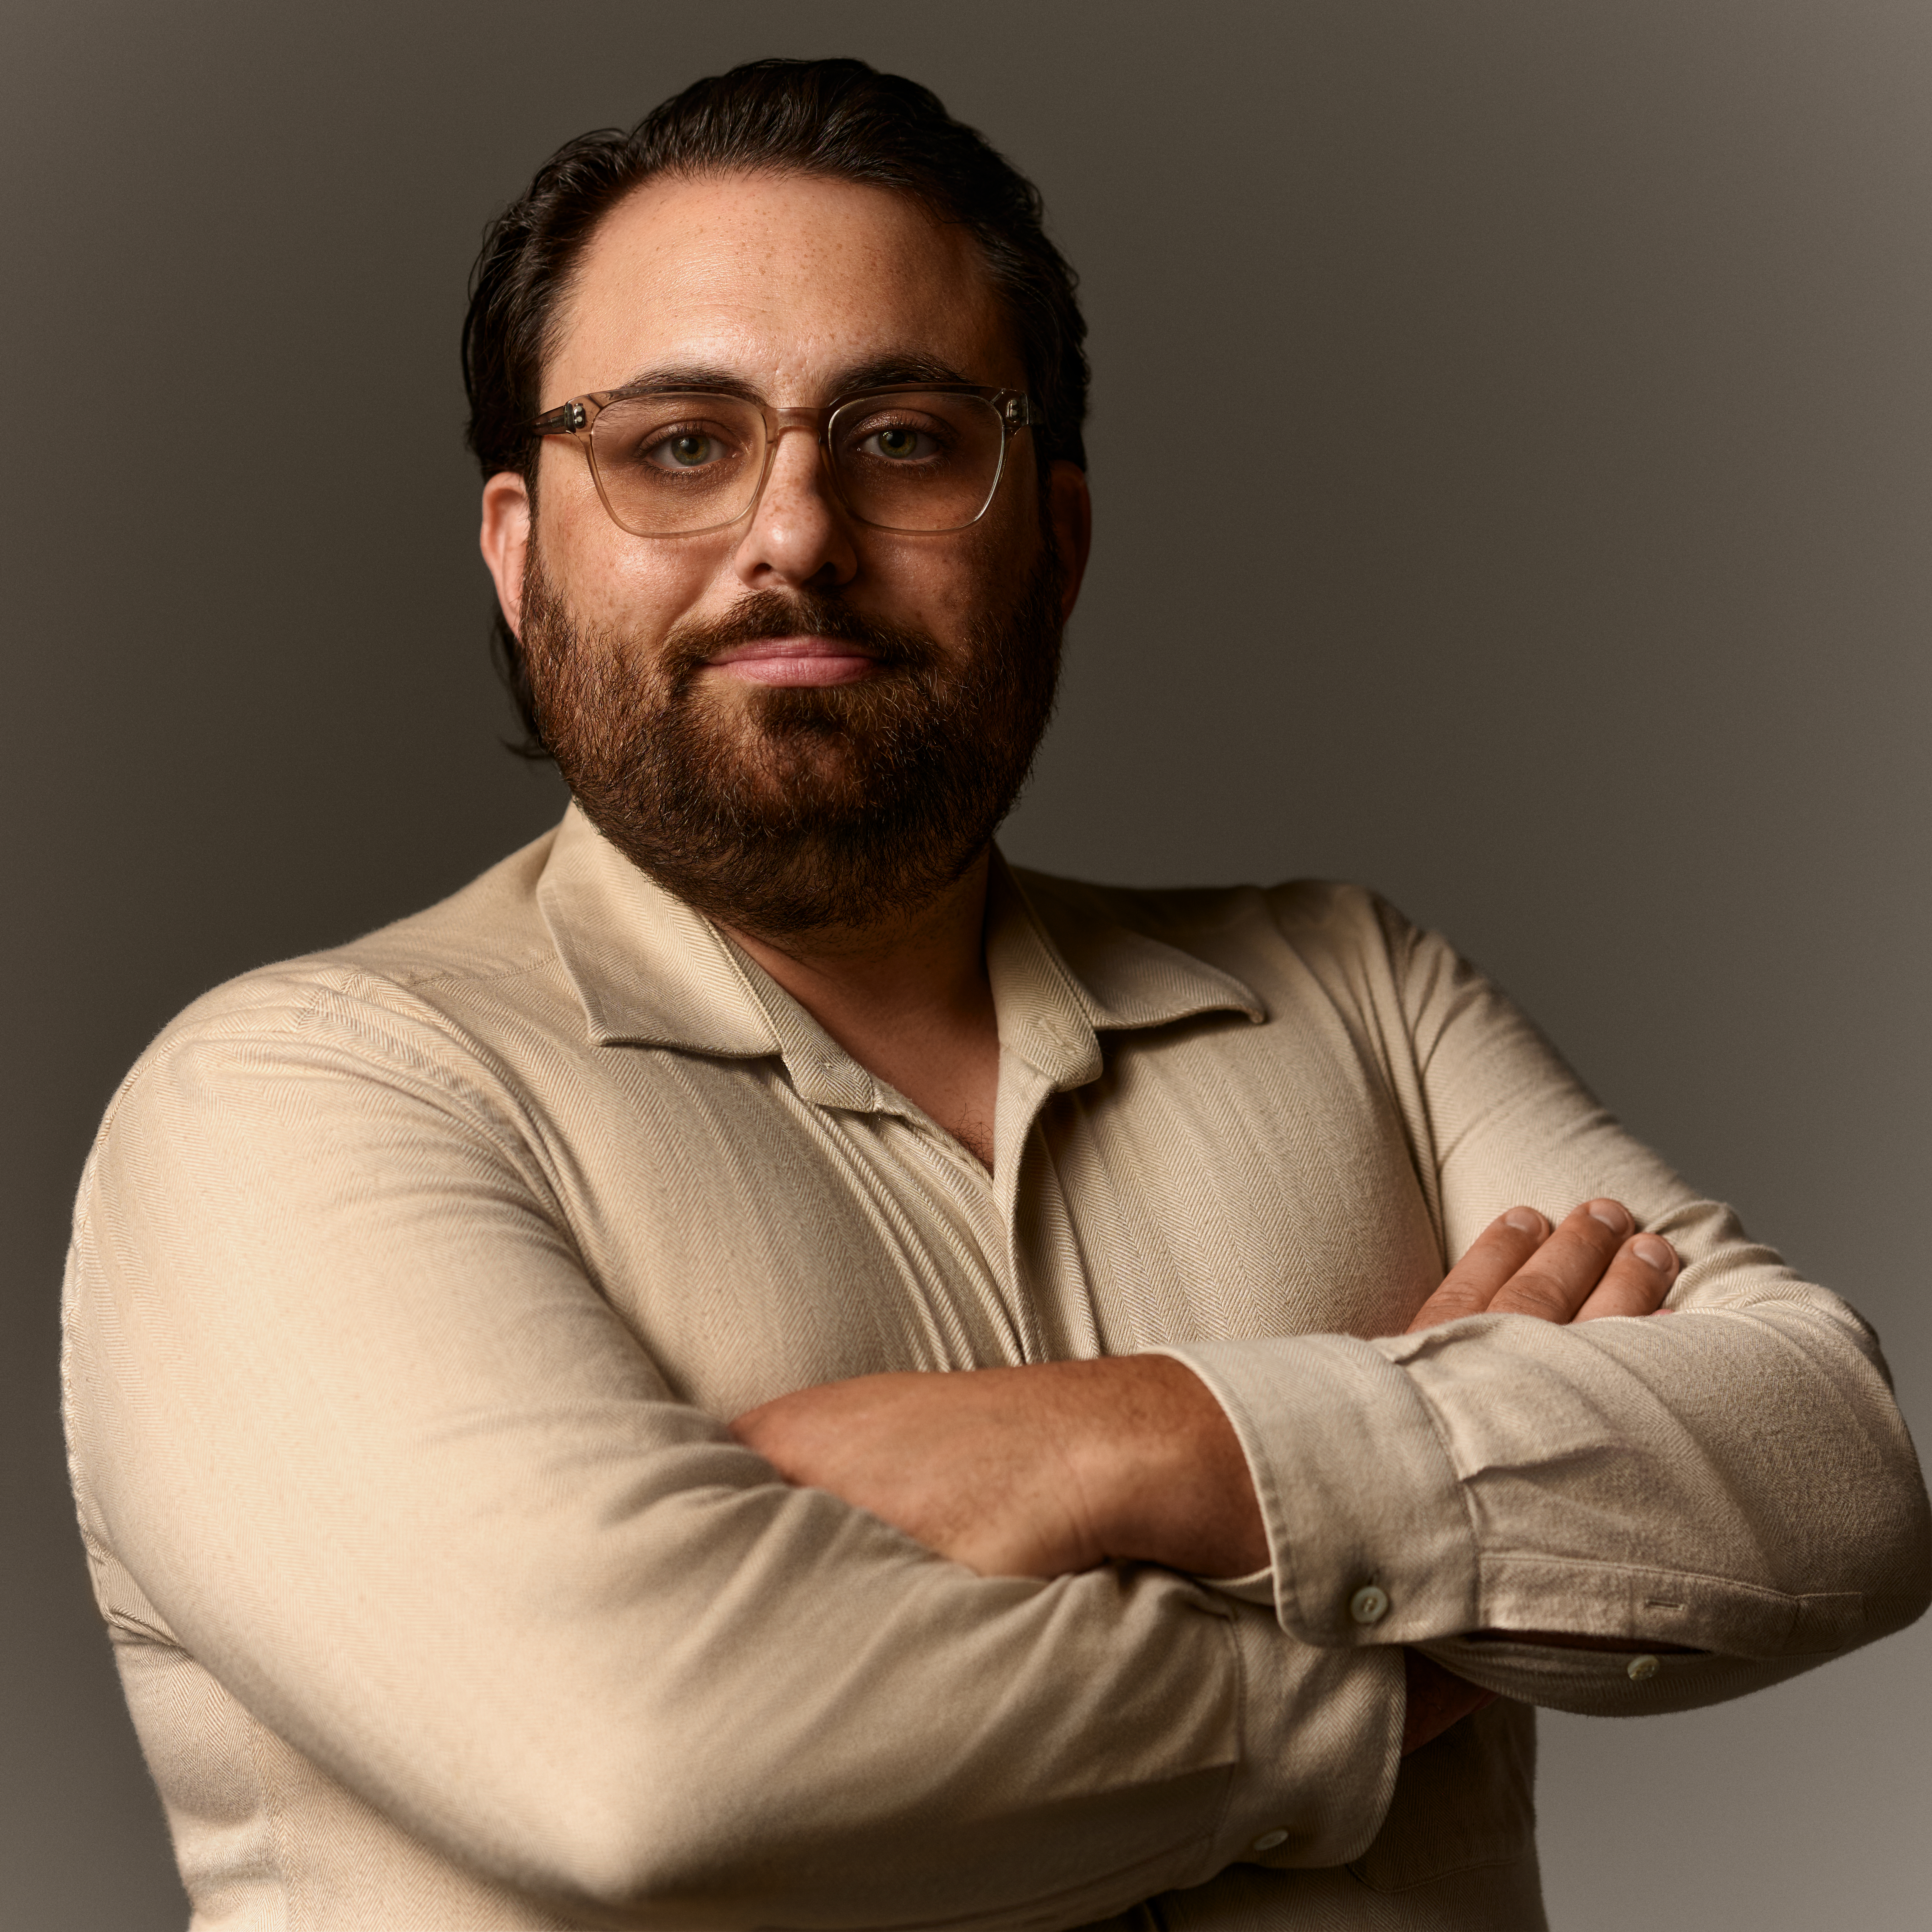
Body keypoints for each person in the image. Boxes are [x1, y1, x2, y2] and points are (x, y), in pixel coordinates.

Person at [62, 57, 1929, 1932]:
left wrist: (1132, 1438)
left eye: (903, 438)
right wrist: (1401, 1638)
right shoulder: (296, 1105)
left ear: (1060, 537)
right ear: (521, 548)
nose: (794, 533)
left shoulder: (1358, 992)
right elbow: (664, 1759)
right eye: (680, 443)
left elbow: (1835, 1477)